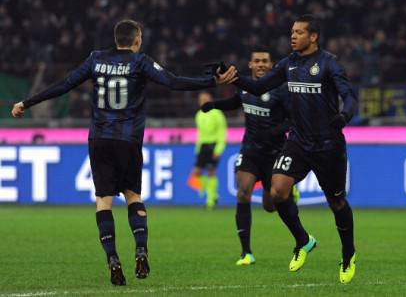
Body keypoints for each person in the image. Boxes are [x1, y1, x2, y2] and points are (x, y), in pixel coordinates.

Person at [10, 19, 237, 286]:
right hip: (128, 140)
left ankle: (112, 258)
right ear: (137, 39)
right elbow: (173, 83)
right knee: (133, 197)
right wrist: (213, 81)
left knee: (103, 201)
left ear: (116, 38)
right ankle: (141, 249)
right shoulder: (140, 62)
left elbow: (65, 84)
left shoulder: (95, 59)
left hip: (100, 139)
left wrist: (27, 102)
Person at [232, 15, 358, 283]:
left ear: (313, 37)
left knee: (336, 202)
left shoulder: (328, 64)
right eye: (292, 32)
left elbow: (349, 96)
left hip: (328, 145)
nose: (293, 36)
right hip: (298, 142)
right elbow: (258, 85)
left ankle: (348, 254)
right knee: (277, 191)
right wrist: (235, 79)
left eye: (299, 32)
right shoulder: (287, 64)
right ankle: (302, 240)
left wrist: (344, 117)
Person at [201, 46, 299, 266]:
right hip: (250, 151)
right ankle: (246, 253)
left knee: (270, 205)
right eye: (257, 61)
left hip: (274, 154)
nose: (261, 64)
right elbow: (237, 102)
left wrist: (275, 131)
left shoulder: (281, 90)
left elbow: (292, 120)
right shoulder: (246, 87)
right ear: (251, 64)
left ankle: (290, 193)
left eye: (265, 60)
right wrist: (213, 105)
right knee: (243, 192)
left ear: (271, 65)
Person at [190, 91, 227, 209]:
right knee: (197, 172)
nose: (203, 101)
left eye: (206, 99)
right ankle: (213, 194)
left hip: (213, 145)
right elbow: (199, 134)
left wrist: (219, 149)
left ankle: (210, 200)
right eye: (201, 99)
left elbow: (222, 132)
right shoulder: (199, 114)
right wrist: (197, 149)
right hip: (203, 146)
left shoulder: (217, 113)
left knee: (211, 171)